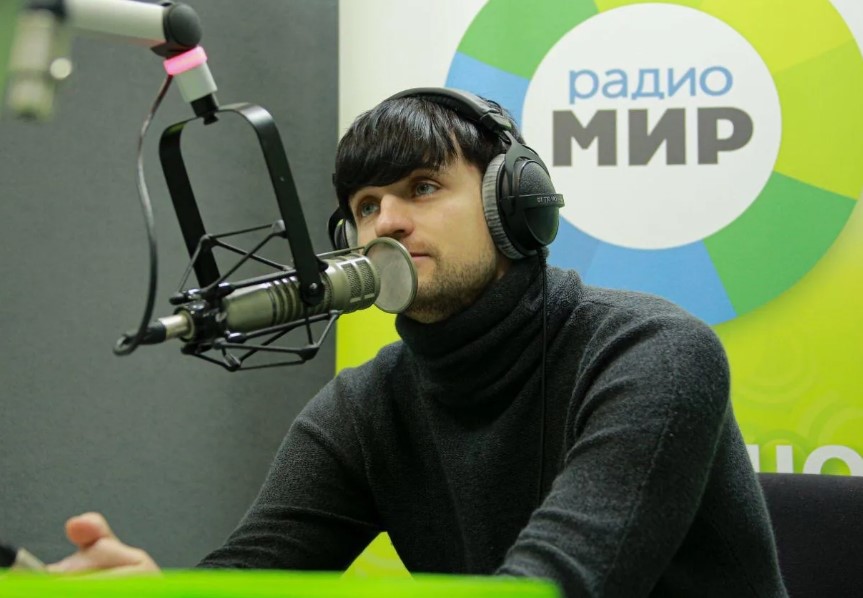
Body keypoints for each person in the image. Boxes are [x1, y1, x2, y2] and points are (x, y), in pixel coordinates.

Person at [48, 88, 788, 597]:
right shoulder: (363, 406)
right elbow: (254, 574)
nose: (387, 223)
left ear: (514, 203)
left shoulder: (653, 352)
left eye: (423, 187)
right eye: (366, 205)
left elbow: (557, 584)